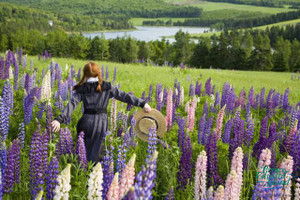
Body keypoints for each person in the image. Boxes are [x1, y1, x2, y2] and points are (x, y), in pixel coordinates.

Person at [52, 61, 151, 163]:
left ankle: (83, 172)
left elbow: (72, 104)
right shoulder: (106, 87)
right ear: (98, 72)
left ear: (85, 74)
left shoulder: (82, 88)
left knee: (82, 152)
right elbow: (124, 96)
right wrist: (142, 103)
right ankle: (95, 174)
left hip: (86, 122)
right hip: (101, 123)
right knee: (98, 154)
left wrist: (59, 120)